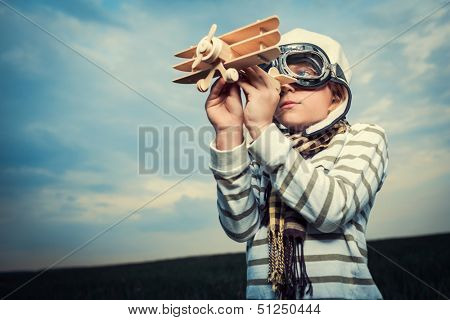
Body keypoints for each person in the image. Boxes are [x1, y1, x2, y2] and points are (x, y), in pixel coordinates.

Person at [205, 28, 389, 299]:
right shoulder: (262, 150)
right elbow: (239, 228)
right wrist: (229, 133)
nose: (287, 85)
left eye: (304, 74)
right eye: (275, 83)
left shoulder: (365, 136)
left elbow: (332, 210)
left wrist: (261, 130)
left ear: (336, 95)